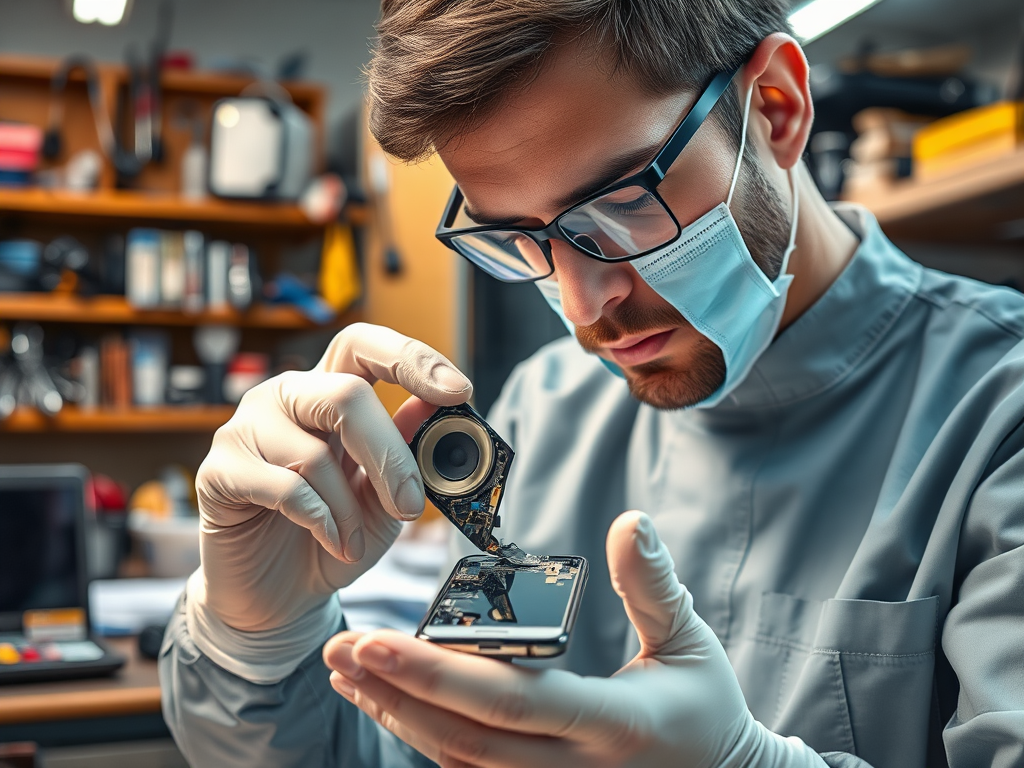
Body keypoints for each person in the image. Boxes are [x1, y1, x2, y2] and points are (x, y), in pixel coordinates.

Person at [159, 0, 1024, 766]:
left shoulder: (997, 417)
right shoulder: (546, 413)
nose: (582, 305)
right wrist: (257, 642)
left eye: (623, 204)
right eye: (519, 240)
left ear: (775, 108)